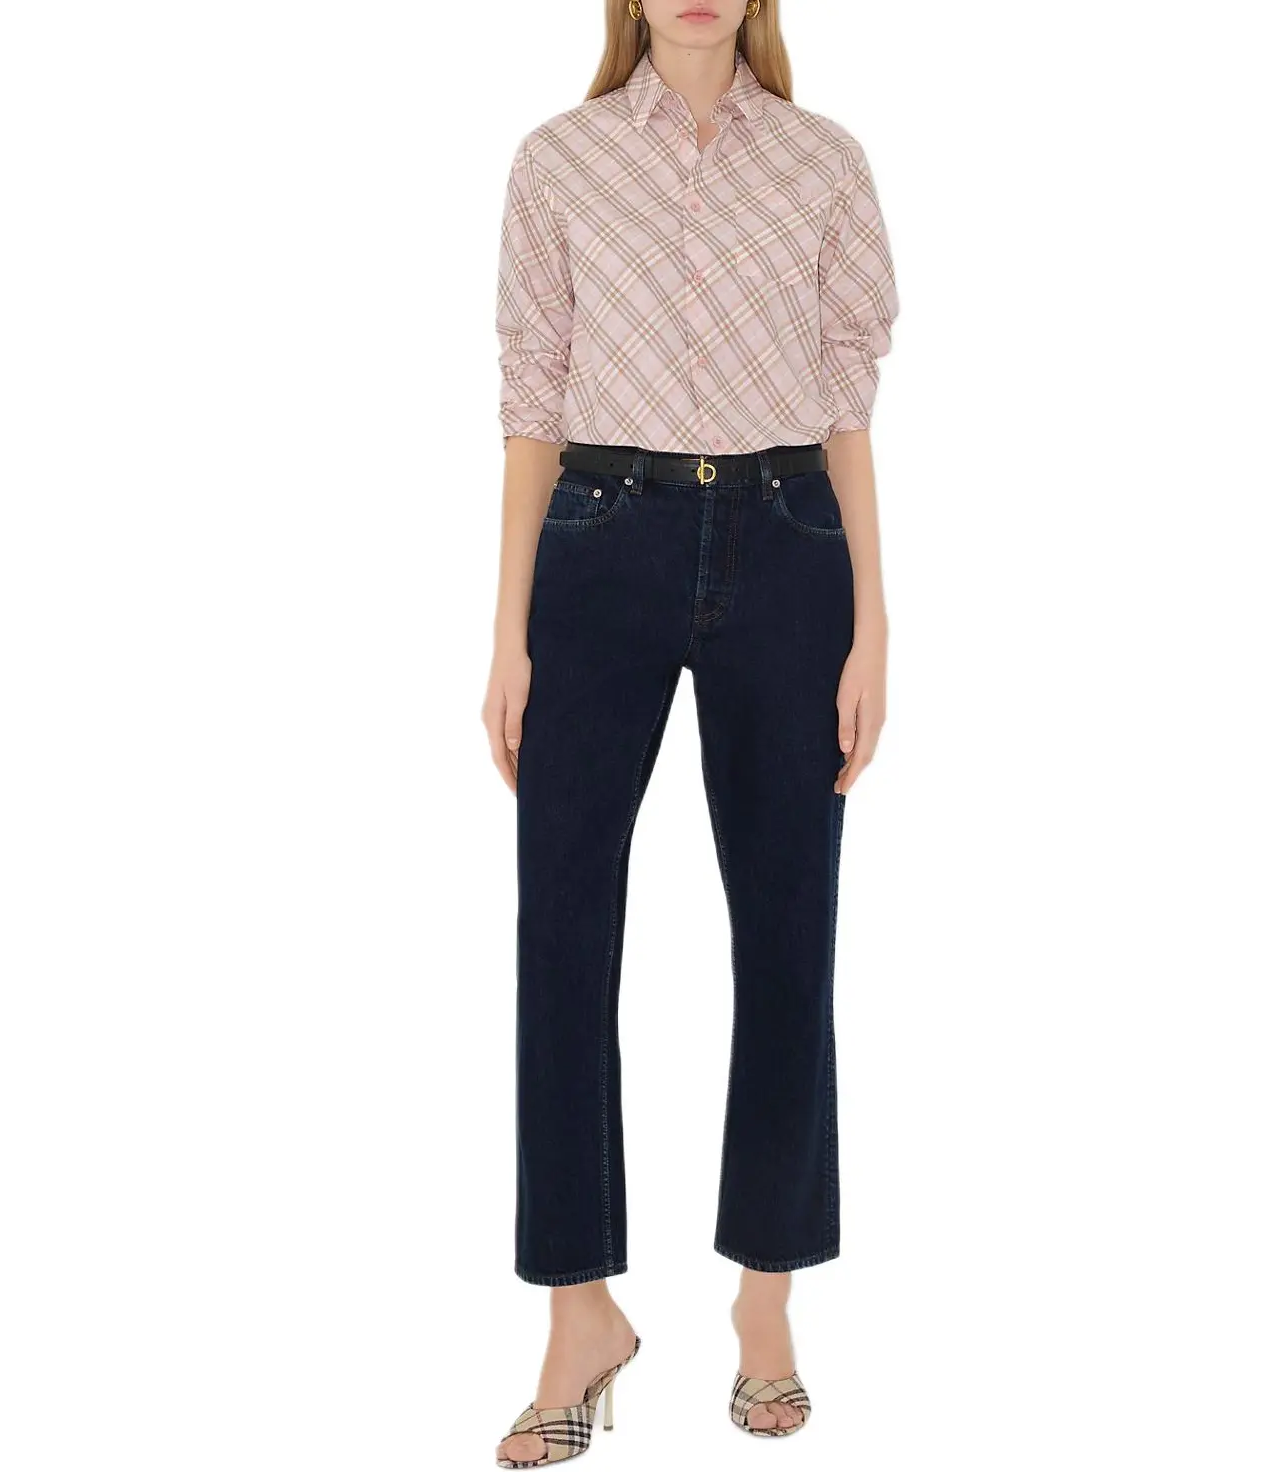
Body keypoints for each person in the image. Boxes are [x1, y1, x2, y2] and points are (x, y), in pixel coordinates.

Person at [483, 1, 898, 1463]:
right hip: (600, 541)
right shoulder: (559, 160)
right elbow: (531, 403)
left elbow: (848, 404)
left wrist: (874, 620)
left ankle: (766, 1300)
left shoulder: (825, 162)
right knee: (562, 930)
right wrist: (506, 634)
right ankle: (577, 1311)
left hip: (790, 543)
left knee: (789, 932)